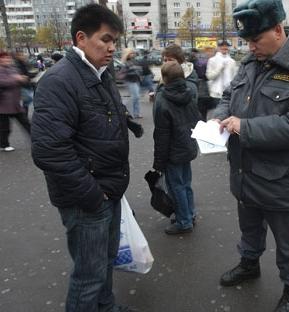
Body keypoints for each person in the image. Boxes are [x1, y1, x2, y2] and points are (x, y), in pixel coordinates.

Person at [214, 0, 289, 311]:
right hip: (245, 172)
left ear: (278, 30)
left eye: (255, 40)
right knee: (249, 228)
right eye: (247, 41)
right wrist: (217, 118)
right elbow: (228, 96)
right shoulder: (251, 63)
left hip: (281, 180)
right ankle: (249, 264)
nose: (250, 48)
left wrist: (244, 127)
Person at [31, 4, 137, 312]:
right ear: (81, 38)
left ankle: (105, 306)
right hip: (87, 197)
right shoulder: (59, 80)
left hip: (108, 189)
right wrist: (93, 194)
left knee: (105, 260)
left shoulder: (100, 73)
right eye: (105, 39)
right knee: (88, 276)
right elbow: (49, 150)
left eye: (115, 41)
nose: (112, 47)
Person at [152, 61, 201, 235]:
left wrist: (159, 161)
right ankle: (190, 213)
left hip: (173, 152)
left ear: (164, 78)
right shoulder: (189, 93)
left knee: (176, 187)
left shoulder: (162, 99)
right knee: (185, 184)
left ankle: (184, 221)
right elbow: (197, 119)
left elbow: (161, 134)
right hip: (187, 147)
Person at [0, 52, 30, 152]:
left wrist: (23, 79)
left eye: (8, 58)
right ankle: (4, 145)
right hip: (3, 105)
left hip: (16, 103)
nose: (7, 60)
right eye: (4, 58)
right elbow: (3, 81)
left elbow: (22, 79)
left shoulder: (13, 68)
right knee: (5, 128)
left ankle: (37, 140)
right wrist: (16, 79)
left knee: (26, 123)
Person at [205, 41, 236, 115]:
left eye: (226, 46)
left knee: (227, 115)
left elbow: (234, 77)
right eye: (222, 46)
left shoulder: (232, 61)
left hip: (229, 94)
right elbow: (209, 76)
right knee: (217, 116)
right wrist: (219, 69)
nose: (224, 48)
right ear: (218, 48)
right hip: (216, 94)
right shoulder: (212, 60)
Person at [121, 48, 142, 118]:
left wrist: (139, 73)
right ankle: (132, 113)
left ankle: (136, 113)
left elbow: (139, 70)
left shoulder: (135, 61)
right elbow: (123, 72)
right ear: (128, 54)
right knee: (135, 97)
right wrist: (132, 71)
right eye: (131, 53)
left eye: (133, 53)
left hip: (136, 81)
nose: (133, 54)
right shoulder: (126, 63)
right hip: (130, 81)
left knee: (136, 97)